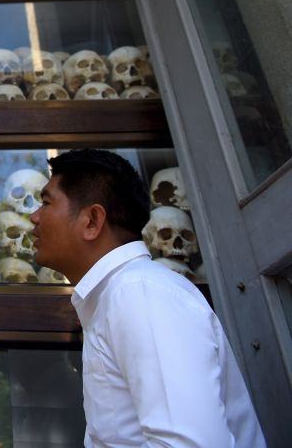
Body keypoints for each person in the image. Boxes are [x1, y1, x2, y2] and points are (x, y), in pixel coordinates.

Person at [30, 148, 265, 447]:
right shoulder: (120, 295)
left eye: (46, 202)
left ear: (92, 221)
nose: (34, 216)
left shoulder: (139, 292)